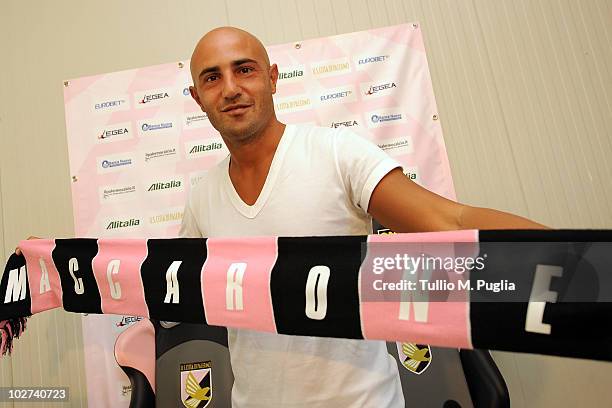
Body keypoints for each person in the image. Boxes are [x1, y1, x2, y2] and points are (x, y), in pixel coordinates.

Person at [178, 26, 547, 408]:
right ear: (197, 98)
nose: (230, 88)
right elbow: (170, 287)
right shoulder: (202, 198)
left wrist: (576, 258)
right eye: (212, 77)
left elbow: (450, 221)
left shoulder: (336, 154)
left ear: (272, 78)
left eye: (244, 69)